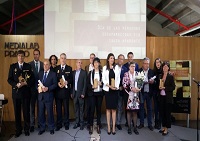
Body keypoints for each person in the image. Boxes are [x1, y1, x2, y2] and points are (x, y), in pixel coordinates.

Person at [7, 50, 34, 137]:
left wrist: (26, 83)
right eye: (19, 56)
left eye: (22, 56)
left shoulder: (28, 66)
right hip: (16, 94)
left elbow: (32, 79)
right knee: (17, 112)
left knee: (26, 112)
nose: (20, 57)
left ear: (24, 57)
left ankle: (26, 129)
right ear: (17, 57)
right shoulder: (12, 66)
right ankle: (18, 130)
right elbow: (9, 79)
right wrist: (16, 84)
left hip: (26, 93)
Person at [102, 53, 120, 135]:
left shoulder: (117, 67)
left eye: (113, 58)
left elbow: (118, 79)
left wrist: (115, 87)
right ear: (108, 59)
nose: (112, 59)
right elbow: (104, 80)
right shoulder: (104, 68)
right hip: (108, 91)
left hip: (115, 90)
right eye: (111, 58)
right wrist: (109, 86)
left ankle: (113, 127)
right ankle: (109, 126)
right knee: (108, 109)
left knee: (114, 109)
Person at [38, 60, 57, 135]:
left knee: (50, 113)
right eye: (44, 64)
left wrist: (48, 88)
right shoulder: (40, 73)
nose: (45, 66)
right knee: (41, 113)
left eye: (47, 64)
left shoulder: (53, 74)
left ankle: (51, 127)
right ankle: (42, 128)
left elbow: (55, 84)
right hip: (41, 97)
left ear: (49, 66)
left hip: (49, 96)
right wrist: (38, 88)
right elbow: (36, 83)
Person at [54, 53, 72, 131]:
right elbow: (54, 79)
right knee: (58, 109)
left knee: (66, 109)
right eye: (61, 58)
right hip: (58, 92)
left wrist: (67, 82)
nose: (63, 59)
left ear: (66, 59)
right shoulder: (56, 68)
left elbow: (71, 79)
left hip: (65, 92)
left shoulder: (69, 68)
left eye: (64, 58)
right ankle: (59, 124)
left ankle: (66, 123)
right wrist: (58, 83)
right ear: (60, 59)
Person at [87, 57, 103, 134]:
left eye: (97, 62)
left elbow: (105, 83)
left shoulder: (102, 73)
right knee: (92, 110)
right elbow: (87, 84)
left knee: (99, 110)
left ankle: (98, 125)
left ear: (99, 64)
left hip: (99, 94)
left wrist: (101, 84)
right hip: (92, 94)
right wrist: (92, 86)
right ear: (93, 64)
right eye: (95, 62)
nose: (96, 64)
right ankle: (90, 125)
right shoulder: (90, 73)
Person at [123, 62, 140, 135]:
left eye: (134, 66)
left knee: (135, 112)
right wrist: (131, 88)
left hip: (136, 95)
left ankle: (135, 127)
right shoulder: (126, 74)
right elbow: (124, 84)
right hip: (129, 95)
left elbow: (140, 84)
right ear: (129, 67)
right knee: (129, 111)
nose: (133, 67)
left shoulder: (138, 74)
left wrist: (138, 89)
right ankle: (129, 127)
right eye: (131, 66)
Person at [138, 57, 155, 131]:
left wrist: (152, 82)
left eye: (147, 63)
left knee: (150, 109)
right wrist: (142, 82)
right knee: (141, 108)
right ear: (143, 64)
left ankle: (150, 124)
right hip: (142, 92)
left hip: (149, 93)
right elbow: (137, 82)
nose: (146, 65)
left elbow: (155, 81)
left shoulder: (151, 71)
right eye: (145, 63)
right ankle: (141, 123)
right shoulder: (139, 71)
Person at [29, 49, 44, 132]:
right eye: (34, 54)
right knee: (32, 107)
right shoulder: (29, 65)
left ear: (39, 55)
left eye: (37, 54)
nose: (35, 56)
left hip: (41, 90)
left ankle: (39, 123)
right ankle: (32, 124)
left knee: (40, 107)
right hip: (31, 90)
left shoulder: (42, 64)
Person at [159, 62, 175, 136]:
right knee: (162, 113)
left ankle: (166, 128)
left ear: (168, 68)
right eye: (163, 67)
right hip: (161, 97)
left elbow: (173, 87)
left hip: (168, 98)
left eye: (166, 67)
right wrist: (159, 87)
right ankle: (163, 127)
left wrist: (165, 88)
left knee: (167, 114)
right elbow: (159, 85)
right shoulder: (160, 76)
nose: (164, 68)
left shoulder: (170, 76)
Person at [71, 60, 87, 130]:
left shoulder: (84, 72)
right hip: (74, 94)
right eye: (78, 63)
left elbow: (85, 84)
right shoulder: (73, 72)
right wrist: (71, 92)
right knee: (76, 109)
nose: (79, 64)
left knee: (81, 109)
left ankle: (81, 123)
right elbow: (72, 84)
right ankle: (77, 122)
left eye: (81, 63)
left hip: (81, 94)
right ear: (76, 64)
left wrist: (83, 93)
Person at [116, 54, 127, 130]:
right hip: (116, 91)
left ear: (123, 60)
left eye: (122, 59)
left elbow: (127, 79)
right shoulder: (114, 68)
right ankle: (118, 123)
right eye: (119, 59)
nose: (120, 60)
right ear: (117, 59)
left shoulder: (125, 69)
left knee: (126, 107)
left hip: (125, 91)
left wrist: (123, 86)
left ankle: (127, 122)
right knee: (119, 107)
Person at [85, 53, 95, 129]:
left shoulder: (99, 67)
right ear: (89, 59)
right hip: (88, 91)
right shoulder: (86, 67)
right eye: (91, 58)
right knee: (88, 108)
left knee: (95, 108)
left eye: (93, 58)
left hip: (96, 91)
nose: (92, 59)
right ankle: (89, 123)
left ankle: (96, 123)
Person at [153, 58, 163, 129]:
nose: (158, 64)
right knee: (156, 109)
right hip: (155, 92)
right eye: (156, 62)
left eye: (159, 62)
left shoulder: (163, 72)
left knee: (161, 109)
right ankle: (156, 123)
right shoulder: (153, 71)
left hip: (162, 93)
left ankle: (160, 123)